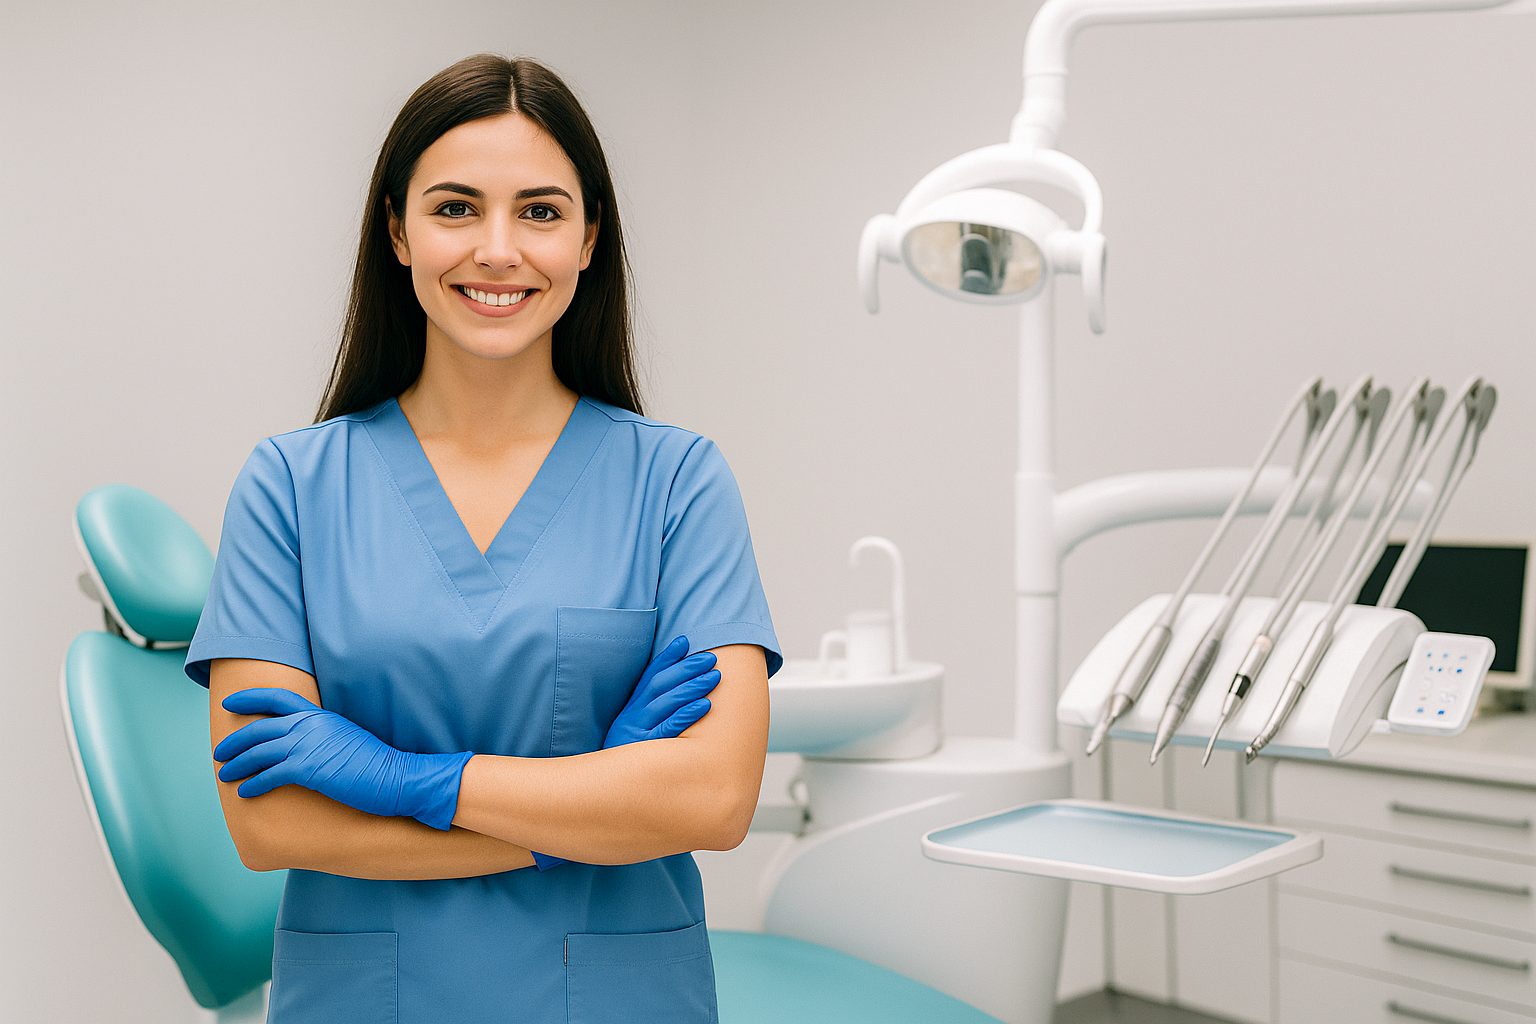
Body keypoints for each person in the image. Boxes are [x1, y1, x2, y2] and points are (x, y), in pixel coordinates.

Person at [182, 52, 783, 1024]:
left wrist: (403, 779)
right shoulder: (290, 485)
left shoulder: (677, 480)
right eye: (456, 208)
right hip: (369, 998)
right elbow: (272, 817)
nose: (497, 249)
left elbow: (713, 797)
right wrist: (580, 814)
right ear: (397, 230)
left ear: (589, 239)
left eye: (540, 212)